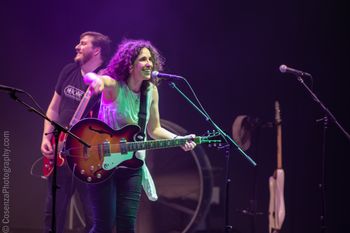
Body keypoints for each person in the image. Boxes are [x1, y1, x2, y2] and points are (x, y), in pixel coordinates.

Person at [83, 39, 197, 233]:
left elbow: (154, 129)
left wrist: (178, 140)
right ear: (130, 64)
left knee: (127, 226)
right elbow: (92, 77)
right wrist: (95, 82)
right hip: (101, 161)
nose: (149, 63)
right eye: (143, 59)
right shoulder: (115, 86)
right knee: (104, 225)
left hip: (132, 164)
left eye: (151, 59)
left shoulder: (151, 91)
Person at [40, 31, 112, 233]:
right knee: (53, 213)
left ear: (96, 50)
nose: (77, 47)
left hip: (88, 157)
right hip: (60, 152)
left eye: (83, 43)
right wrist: (47, 136)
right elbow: (54, 108)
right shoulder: (68, 70)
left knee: (94, 216)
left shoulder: (106, 80)